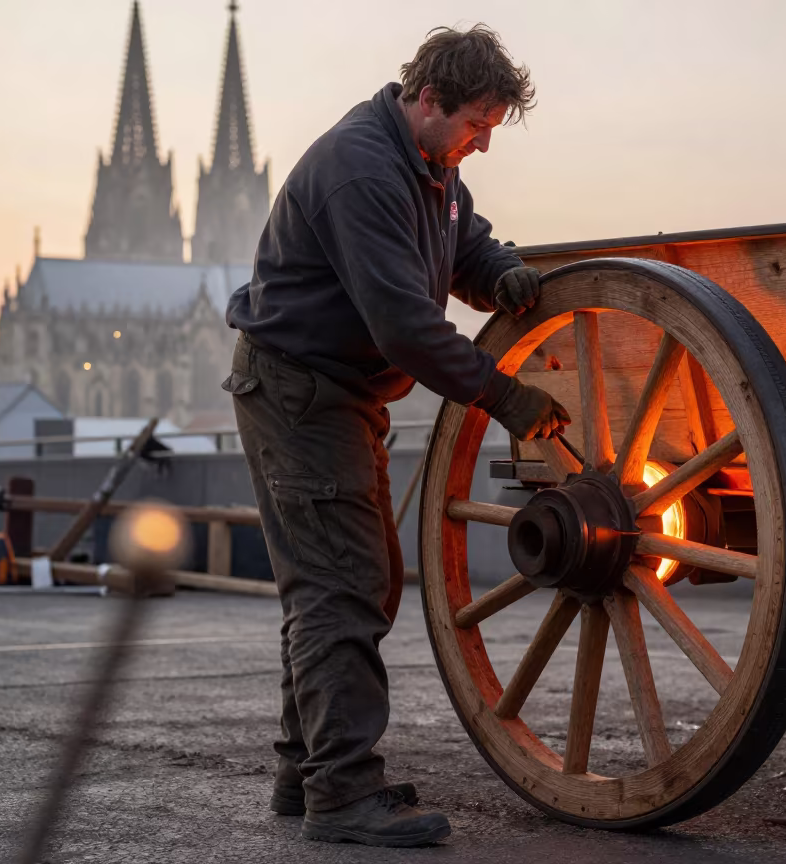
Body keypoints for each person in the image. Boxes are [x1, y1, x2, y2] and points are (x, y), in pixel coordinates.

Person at [222, 24, 569, 847]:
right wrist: (505, 399)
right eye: (477, 124)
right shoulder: (360, 172)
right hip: (300, 393)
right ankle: (341, 793)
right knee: (343, 581)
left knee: (344, 581)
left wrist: (497, 272)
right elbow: (406, 329)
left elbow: (462, 242)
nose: (481, 145)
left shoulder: (429, 168)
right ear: (429, 100)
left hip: (337, 396)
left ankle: (305, 775)